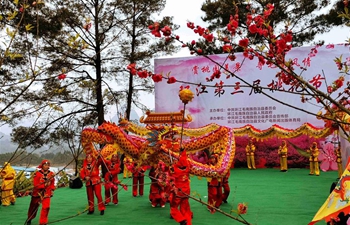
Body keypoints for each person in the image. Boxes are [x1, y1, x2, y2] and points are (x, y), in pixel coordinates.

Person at [26, 160, 55, 225]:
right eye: (45, 165)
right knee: (34, 207)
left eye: (47, 165)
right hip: (37, 193)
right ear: (42, 166)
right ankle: (30, 218)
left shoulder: (51, 174)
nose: (46, 166)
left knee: (46, 207)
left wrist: (52, 190)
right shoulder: (37, 174)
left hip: (47, 193)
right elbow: (36, 184)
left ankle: (43, 222)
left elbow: (52, 182)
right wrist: (44, 185)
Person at [169, 150, 192, 225]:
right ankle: (188, 223)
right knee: (185, 209)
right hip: (186, 191)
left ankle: (181, 220)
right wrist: (183, 151)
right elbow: (184, 158)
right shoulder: (188, 167)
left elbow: (170, 176)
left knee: (173, 208)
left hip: (178, 191)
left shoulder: (174, 169)